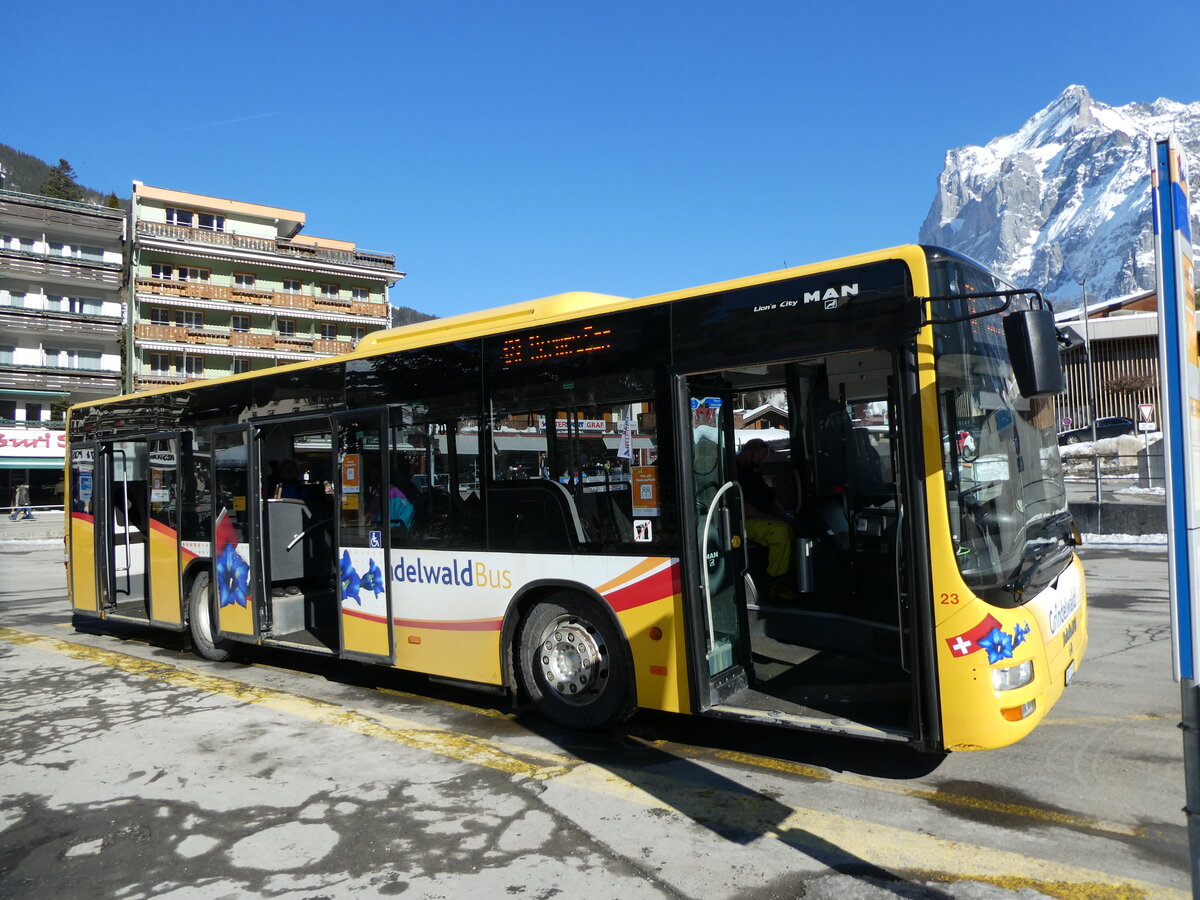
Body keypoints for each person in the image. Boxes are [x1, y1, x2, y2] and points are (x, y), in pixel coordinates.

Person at [735, 439, 794, 592]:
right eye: (760, 459)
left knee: (792, 527)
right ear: (748, 452)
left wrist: (785, 515)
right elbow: (742, 506)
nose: (761, 464)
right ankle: (776, 583)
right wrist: (769, 518)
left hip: (758, 518)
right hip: (740, 521)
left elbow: (768, 497)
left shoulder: (753, 471)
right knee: (779, 532)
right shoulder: (734, 471)